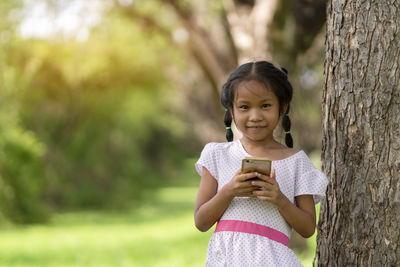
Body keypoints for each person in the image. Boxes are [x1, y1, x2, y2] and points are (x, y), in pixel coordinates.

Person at [194, 61, 328, 266]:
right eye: (244, 107)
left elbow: (308, 228)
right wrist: (229, 191)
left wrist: (280, 199)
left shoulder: (296, 161)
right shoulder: (217, 154)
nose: (255, 116)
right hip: (227, 260)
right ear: (231, 110)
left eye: (265, 106)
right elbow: (201, 222)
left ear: (282, 107)